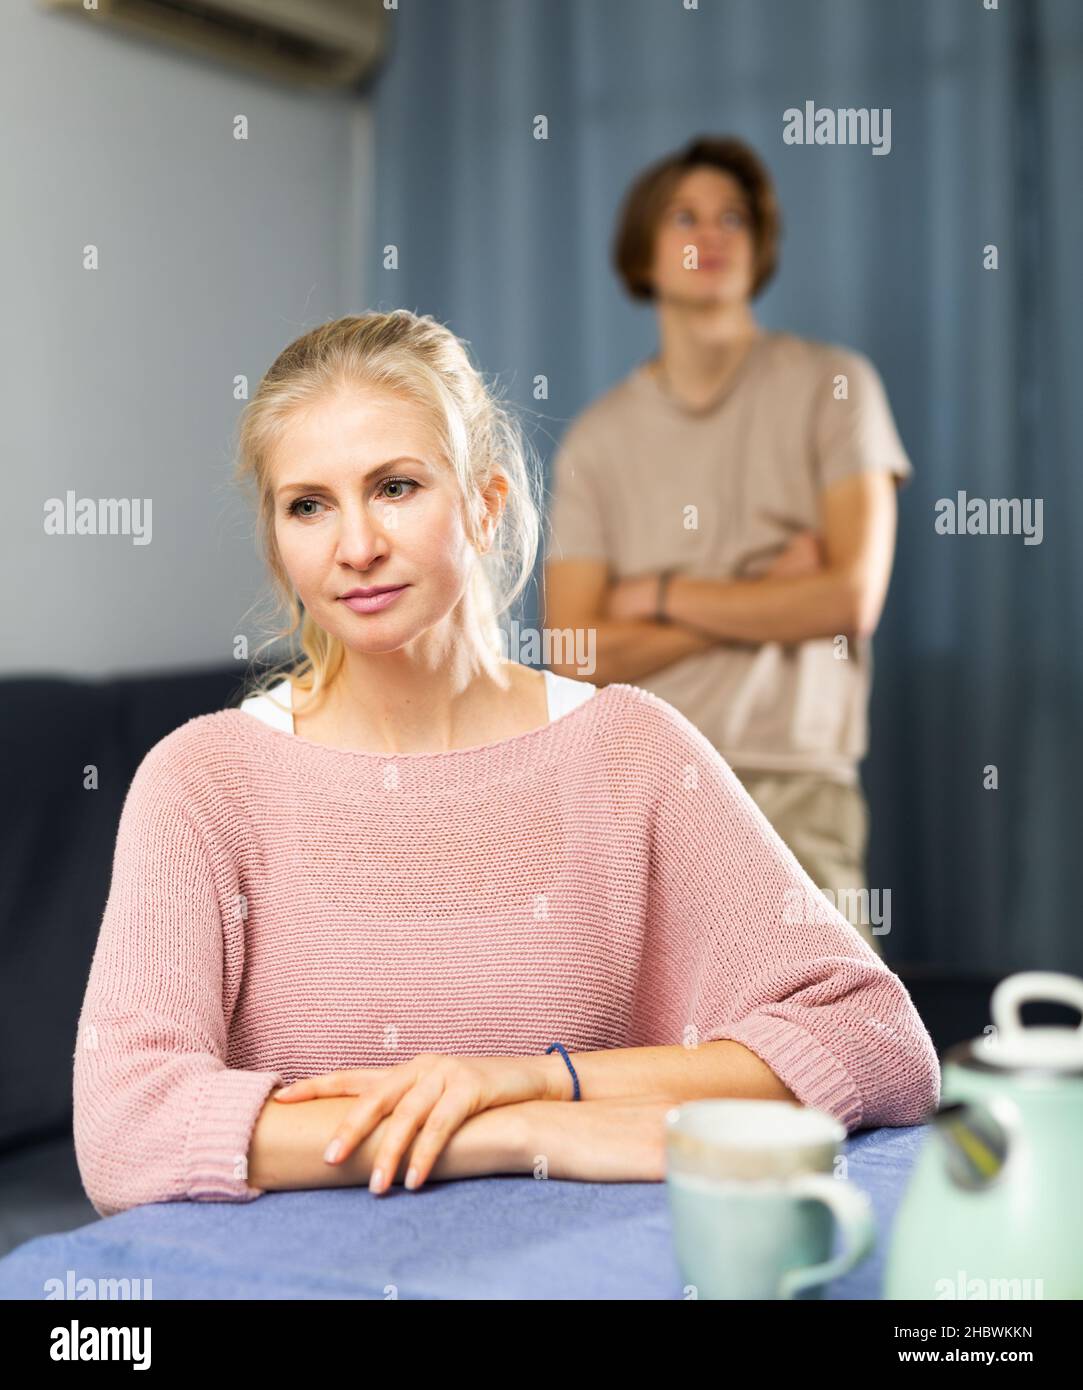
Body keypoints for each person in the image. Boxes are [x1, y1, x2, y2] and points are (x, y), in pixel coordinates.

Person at [72, 309, 937, 1219]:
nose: (355, 546)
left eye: (396, 487)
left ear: (485, 505)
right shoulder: (200, 780)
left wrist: (539, 1081)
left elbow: (877, 1040)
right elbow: (125, 1124)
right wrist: (518, 1130)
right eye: (308, 505)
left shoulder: (630, 751)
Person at [545, 135, 911, 955]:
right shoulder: (596, 442)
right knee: (654, 1068)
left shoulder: (834, 387)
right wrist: (767, 595)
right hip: (643, 788)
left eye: (733, 218)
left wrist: (660, 596)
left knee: (842, 1067)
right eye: (684, 216)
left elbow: (848, 600)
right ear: (643, 250)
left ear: (759, 246)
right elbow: (572, 655)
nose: (711, 234)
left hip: (799, 783)